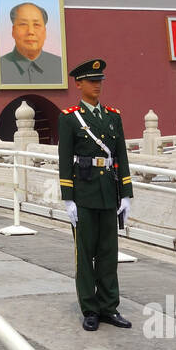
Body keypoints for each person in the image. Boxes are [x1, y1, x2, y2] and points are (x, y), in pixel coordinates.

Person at [58, 59, 134, 331]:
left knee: (108, 254)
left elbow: (121, 156)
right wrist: (68, 198)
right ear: (78, 84)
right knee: (85, 255)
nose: (97, 85)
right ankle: (90, 309)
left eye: (99, 81)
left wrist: (126, 194)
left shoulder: (113, 116)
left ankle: (109, 307)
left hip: (107, 194)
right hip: (84, 194)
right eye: (91, 81)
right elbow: (65, 159)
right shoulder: (69, 118)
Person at [0, 1, 63, 84]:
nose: (30, 31)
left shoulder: (60, 66)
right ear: (13, 31)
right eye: (23, 24)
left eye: (36, 25)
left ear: (45, 31)